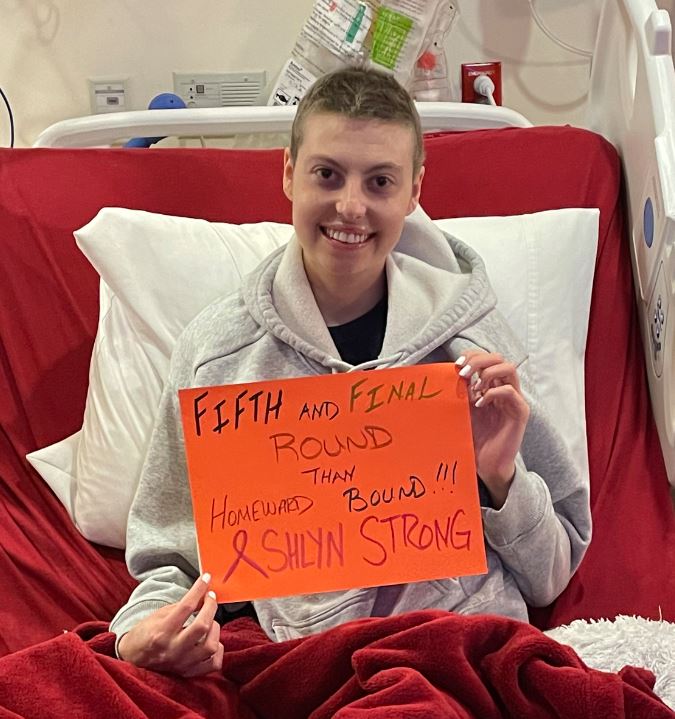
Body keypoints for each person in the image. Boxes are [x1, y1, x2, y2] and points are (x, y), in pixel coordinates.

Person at [110, 67, 591, 677]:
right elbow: (170, 563)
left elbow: (550, 577)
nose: (351, 206)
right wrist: (136, 638)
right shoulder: (219, 358)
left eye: (380, 181)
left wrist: (500, 481)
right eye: (327, 174)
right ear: (288, 173)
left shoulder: (468, 345)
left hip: (462, 651)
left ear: (414, 191)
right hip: (303, 661)